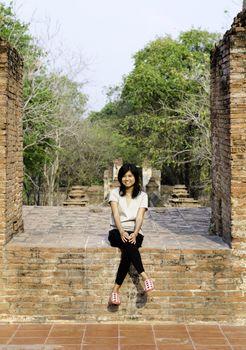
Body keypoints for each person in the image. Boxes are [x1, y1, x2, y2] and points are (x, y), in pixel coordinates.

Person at [108, 163, 154, 305]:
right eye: (124, 176)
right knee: (128, 246)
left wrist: (134, 233)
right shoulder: (115, 193)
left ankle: (115, 291)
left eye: (130, 176)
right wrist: (121, 230)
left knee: (128, 252)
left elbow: (140, 217)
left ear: (135, 177)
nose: (126, 179)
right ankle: (145, 277)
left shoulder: (142, 196)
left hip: (135, 231)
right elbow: (115, 214)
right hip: (116, 230)